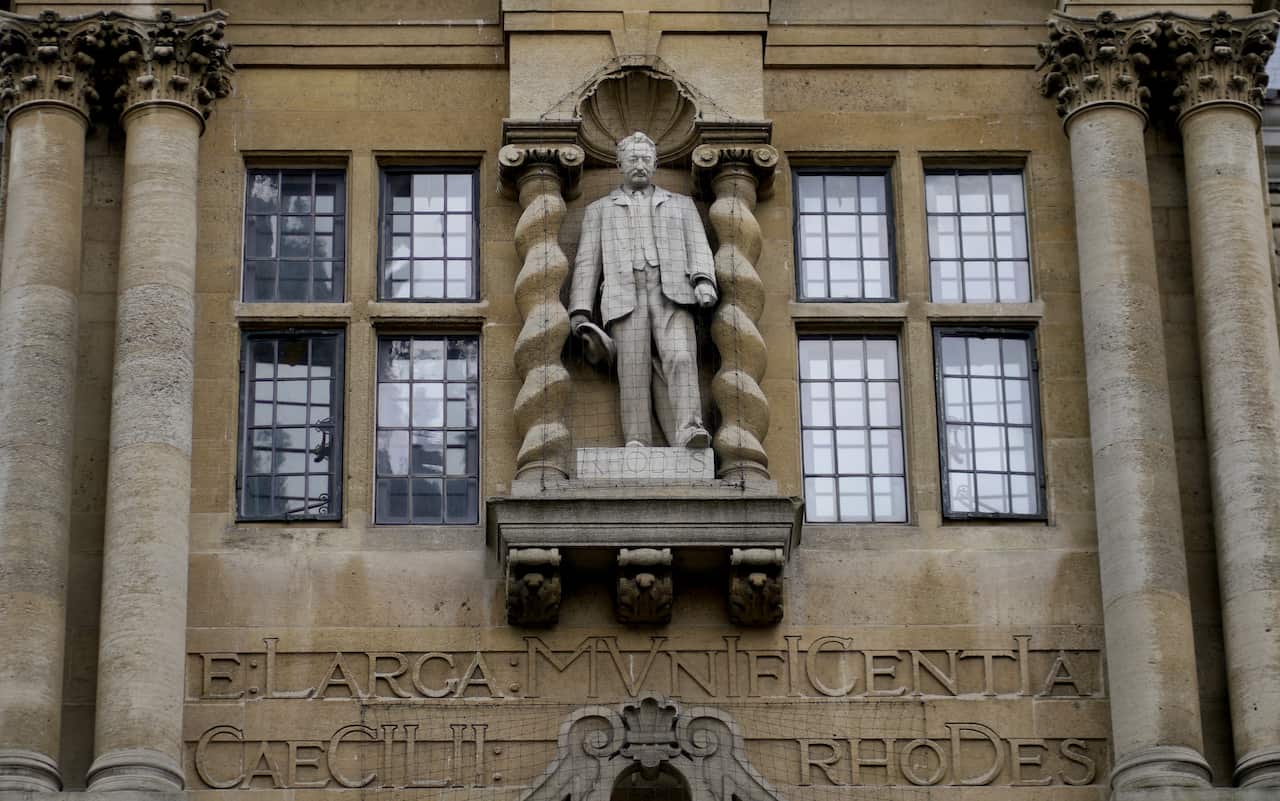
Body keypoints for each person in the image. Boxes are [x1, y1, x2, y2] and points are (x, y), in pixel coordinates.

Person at [569, 131, 717, 448]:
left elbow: (699, 246)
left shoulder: (681, 205)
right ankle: (637, 440)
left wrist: (704, 280)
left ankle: (690, 429)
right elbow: (587, 262)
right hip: (624, 295)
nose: (640, 164)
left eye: (646, 159)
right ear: (620, 163)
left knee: (680, 357)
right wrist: (580, 311)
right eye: (633, 159)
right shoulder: (600, 210)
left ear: (656, 163)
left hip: (673, 292)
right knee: (633, 371)